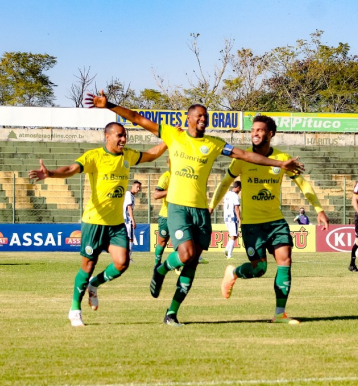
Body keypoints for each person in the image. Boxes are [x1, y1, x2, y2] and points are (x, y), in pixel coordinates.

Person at [86, 92, 303, 326]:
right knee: (186, 254)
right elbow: (138, 118)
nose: (203, 119)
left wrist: (280, 163)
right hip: (178, 208)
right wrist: (109, 105)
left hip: (200, 211)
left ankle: (172, 313)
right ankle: (161, 270)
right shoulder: (172, 134)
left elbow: (246, 155)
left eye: (205, 116)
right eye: (199, 116)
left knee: (192, 263)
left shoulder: (214, 144)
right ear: (188, 118)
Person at [28, 122, 167, 327]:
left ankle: (95, 284)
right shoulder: (94, 156)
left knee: (122, 263)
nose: (123, 139)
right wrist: (51, 174)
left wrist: (169, 141)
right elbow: (72, 169)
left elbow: (153, 154)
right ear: (107, 136)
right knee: (88, 265)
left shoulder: (128, 155)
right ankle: (75, 309)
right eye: (119, 136)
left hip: (116, 223)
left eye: (125, 136)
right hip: (94, 222)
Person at [211, 115, 329, 324]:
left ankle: (280, 314)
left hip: (276, 222)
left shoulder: (283, 159)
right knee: (259, 269)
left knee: (285, 261)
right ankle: (234, 272)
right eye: (253, 130)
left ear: (270, 134)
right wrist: (211, 205)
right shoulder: (241, 159)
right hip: (252, 225)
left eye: (260, 130)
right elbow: (224, 183)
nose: (255, 133)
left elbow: (304, 185)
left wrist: (319, 210)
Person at [152, 159, 171, 266]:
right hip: (166, 216)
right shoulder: (166, 177)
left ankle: (178, 264)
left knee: (182, 241)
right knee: (162, 242)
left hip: (180, 216)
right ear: (168, 163)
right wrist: (172, 191)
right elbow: (156, 195)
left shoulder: (183, 177)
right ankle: (157, 264)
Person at [124, 180, 142, 262]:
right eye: (137, 187)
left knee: (127, 239)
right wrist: (133, 220)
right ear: (132, 186)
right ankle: (127, 258)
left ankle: (126, 257)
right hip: (127, 221)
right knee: (130, 239)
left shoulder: (131, 195)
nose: (138, 189)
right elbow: (129, 208)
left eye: (139, 188)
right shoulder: (128, 194)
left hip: (125, 220)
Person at [223, 180, 242, 258]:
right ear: (238, 187)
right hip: (232, 217)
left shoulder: (227, 194)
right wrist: (239, 219)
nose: (240, 190)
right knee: (233, 236)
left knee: (235, 235)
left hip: (226, 217)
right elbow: (236, 208)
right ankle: (229, 255)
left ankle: (226, 250)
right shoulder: (235, 196)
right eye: (240, 189)